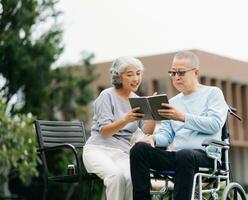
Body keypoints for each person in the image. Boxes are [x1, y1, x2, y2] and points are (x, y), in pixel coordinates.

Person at [130, 51, 228, 200]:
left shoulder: (213, 94)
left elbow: (214, 125)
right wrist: (153, 140)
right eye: (172, 73)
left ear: (196, 72)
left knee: (185, 154)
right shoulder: (172, 102)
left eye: (181, 73)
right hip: (179, 157)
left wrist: (182, 117)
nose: (176, 77)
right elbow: (166, 136)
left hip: (206, 155)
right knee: (139, 150)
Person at [83, 56, 155, 200]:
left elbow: (147, 131)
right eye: (130, 74)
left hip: (122, 153)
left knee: (132, 178)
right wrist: (125, 119)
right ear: (118, 76)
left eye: (138, 73)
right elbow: (104, 131)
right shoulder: (106, 95)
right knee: (116, 176)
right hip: (98, 149)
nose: (136, 78)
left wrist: (153, 113)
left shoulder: (138, 101)